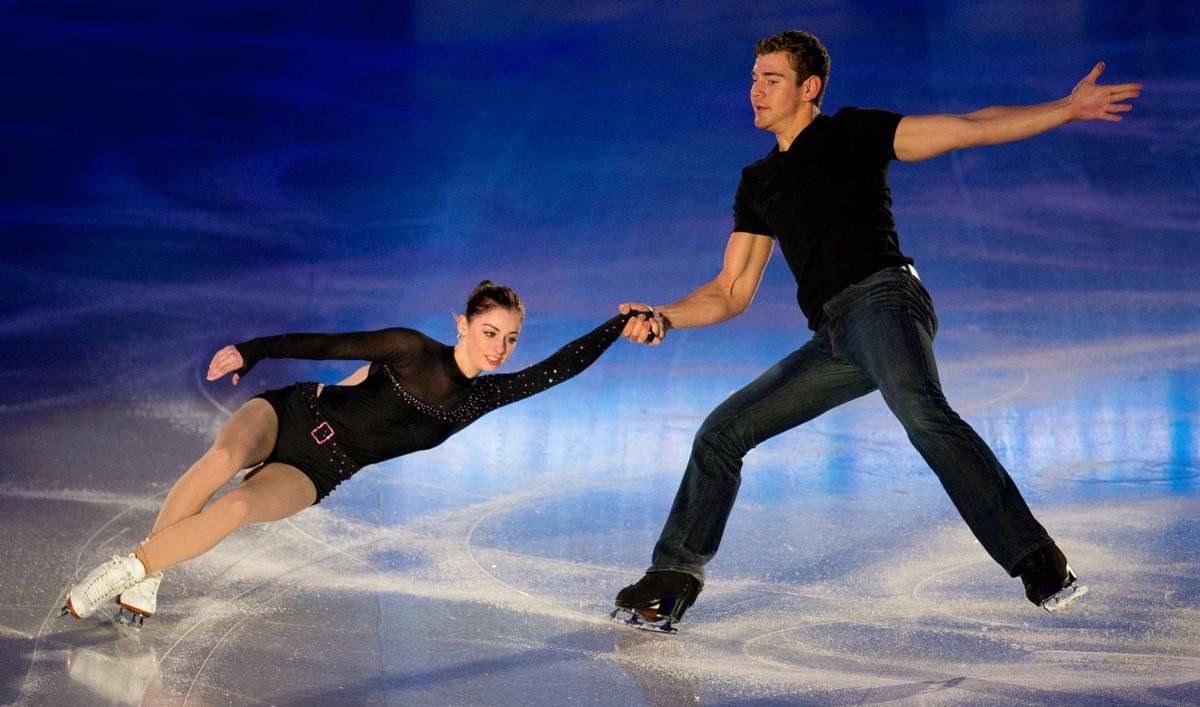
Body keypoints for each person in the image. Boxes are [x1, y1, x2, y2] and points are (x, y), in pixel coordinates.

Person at [611, 30, 1142, 631]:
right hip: (834, 339)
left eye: (772, 80)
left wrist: (1067, 109)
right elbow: (731, 291)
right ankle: (670, 582)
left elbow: (968, 126)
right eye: (754, 78)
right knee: (721, 433)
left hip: (885, 300)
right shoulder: (758, 182)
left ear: (808, 88)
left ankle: (1039, 562)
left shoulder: (851, 134)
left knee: (921, 411)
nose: (755, 90)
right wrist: (664, 315)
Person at [63, 281, 641, 625]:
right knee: (220, 461)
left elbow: (558, 368)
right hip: (292, 413)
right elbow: (324, 344)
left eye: (510, 338)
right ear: (463, 324)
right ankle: (138, 573)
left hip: (320, 467)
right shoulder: (410, 348)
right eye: (490, 331)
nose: (500, 347)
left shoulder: (484, 396)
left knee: (236, 508)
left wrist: (617, 326)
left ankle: (137, 569)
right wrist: (252, 350)